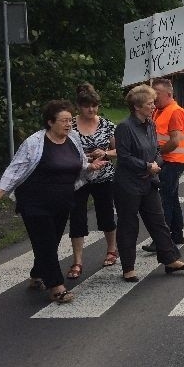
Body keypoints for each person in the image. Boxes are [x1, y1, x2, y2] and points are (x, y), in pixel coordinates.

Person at [0, 100, 107, 303]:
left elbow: (79, 164)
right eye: (63, 121)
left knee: (50, 242)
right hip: (35, 203)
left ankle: (38, 273)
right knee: (46, 243)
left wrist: (90, 167)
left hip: (62, 202)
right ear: (50, 122)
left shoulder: (72, 138)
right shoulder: (35, 143)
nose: (68, 125)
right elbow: (14, 171)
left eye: (70, 121)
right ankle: (56, 286)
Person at [113, 85, 184, 282]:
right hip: (128, 185)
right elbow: (124, 156)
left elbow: (157, 149)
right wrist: (146, 165)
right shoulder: (125, 127)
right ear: (137, 107)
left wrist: (157, 162)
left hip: (149, 182)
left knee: (159, 222)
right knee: (128, 225)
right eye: (149, 103)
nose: (153, 106)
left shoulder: (150, 124)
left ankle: (170, 260)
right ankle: (128, 268)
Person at [66, 83, 119, 279]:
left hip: (104, 176)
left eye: (95, 106)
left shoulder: (106, 124)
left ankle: (112, 250)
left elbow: (119, 150)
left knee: (105, 213)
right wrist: (83, 159)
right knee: (77, 217)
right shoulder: (70, 125)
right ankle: (77, 261)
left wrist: (105, 152)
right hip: (79, 178)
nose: (92, 110)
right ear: (79, 106)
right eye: (87, 106)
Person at [142, 77, 184, 251]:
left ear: (169, 94)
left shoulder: (175, 111)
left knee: (165, 200)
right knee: (171, 198)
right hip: (167, 160)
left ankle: (163, 240)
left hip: (172, 161)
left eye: (157, 94)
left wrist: (157, 154)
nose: (154, 98)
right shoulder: (159, 110)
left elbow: (175, 141)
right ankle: (176, 235)